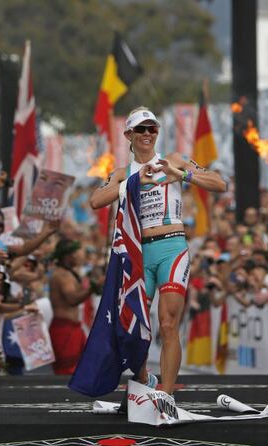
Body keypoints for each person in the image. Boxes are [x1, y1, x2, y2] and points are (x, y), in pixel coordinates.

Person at [89, 106, 227, 396]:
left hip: (172, 248)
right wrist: (134, 182)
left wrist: (180, 175)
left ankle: (166, 394)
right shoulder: (121, 173)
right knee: (136, 328)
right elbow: (96, 200)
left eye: (153, 128)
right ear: (129, 134)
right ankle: (145, 380)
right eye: (141, 129)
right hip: (138, 253)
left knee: (167, 323)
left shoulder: (173, 160)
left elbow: (219, 183)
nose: (148, 134)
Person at [49, 239, 95, 375]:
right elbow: (72, 299)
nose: (78, 255)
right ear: (66, 256)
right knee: (67, 372)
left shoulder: (69, 273)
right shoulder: (62, 275)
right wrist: (92, 288)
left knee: (82, 368)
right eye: (74, 252)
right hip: (65, 330)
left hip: (73, 328)